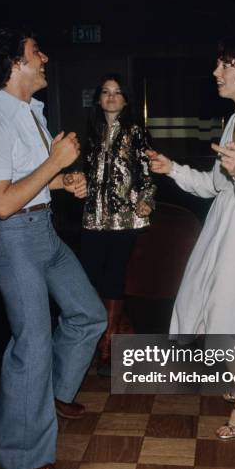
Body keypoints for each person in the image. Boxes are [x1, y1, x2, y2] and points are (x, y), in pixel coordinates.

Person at [0, 28, 107, 469]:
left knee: (87, 314)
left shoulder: (32, 113)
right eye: (35, 52)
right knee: (31, 344)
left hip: (44, 230)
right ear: (14, 64)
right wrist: (56, 165)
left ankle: (51, 394)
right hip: (15, 240)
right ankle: (17, 453)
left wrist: (65, 183)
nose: (44, 57)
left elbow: (30, 182)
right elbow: (2, 203)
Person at [149, 40, 235, 440]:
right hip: (223, 225)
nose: (216, 72)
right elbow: (213, 186)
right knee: (216, 310)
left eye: (225, 65)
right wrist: (172, 168)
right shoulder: (233, 121)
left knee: (228, 316)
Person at [80, 74, 155, 374]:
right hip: (92, 216)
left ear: (126, 99)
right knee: (88, 274)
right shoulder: (91, 131)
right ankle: (100, 333)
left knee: (114, 274)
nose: (111, 97)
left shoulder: (136, 131)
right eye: (106, 92)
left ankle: (107, 346)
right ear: (98, 98)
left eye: (117, 92)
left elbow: (147, 171)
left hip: (125, 216)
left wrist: (147, 197)